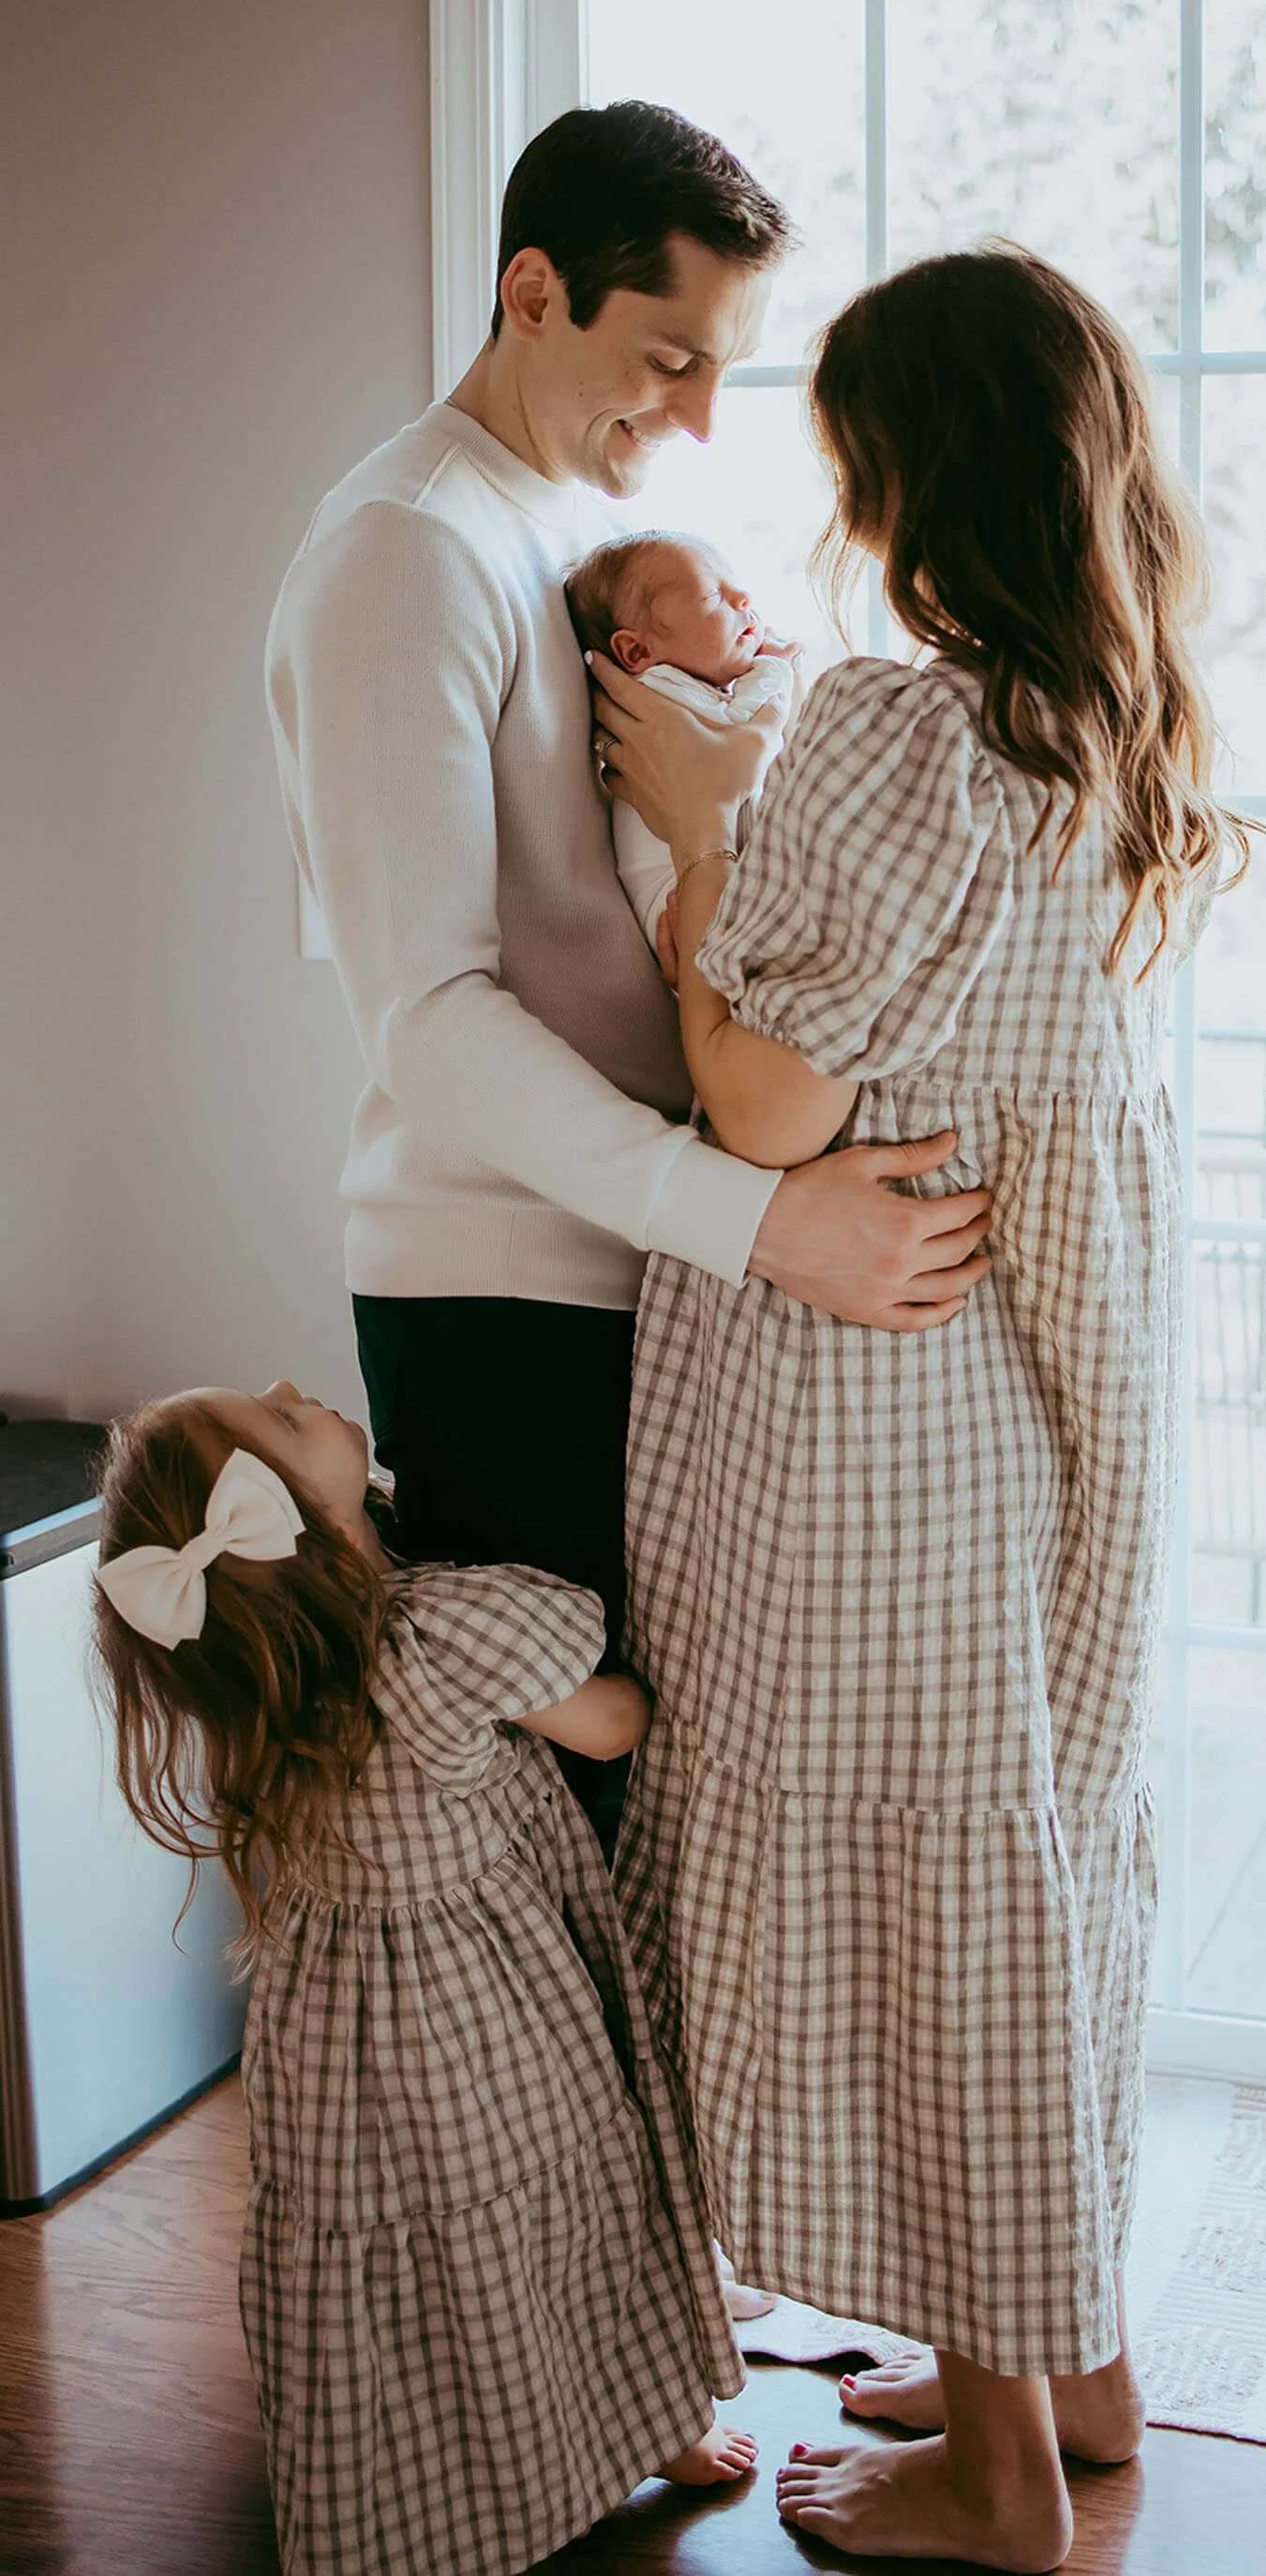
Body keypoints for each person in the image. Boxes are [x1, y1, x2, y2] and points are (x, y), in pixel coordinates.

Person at [593, 244, 1251, 2572]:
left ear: (907, 466)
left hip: (878, 1408)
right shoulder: (1101, 727)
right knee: (1022, 1875)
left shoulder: (895, 721)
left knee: (922, 1907)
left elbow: (764, 1100)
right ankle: (1064, 2371)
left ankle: (988, 2482)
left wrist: (688, 841)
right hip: (1037, 1400)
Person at [263, 101, 991, 1700]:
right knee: (556, 1830)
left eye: (725, 365)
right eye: (671, 360)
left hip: (650, 1252)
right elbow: (429, 1015)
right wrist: (769, 1224)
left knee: (659, 1810)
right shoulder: (404, 550)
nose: (704, 417)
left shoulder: (601, 530)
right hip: (511, 1287)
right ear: (534, 294)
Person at [91, 1376, 756, 2576]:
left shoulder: (265, 1681)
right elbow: (611, 1722)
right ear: (294, 1516)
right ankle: (629, 2428)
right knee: (556, 2212)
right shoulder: (431, 1636)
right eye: (282, 1417)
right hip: (481, 2010)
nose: (295, 1387)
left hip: (336, 2039)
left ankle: (429, 2492)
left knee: (411, 2269)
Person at [564, 529, 796, 950]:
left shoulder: (680, 692)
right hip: (675, 902)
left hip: (699, 885)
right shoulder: (659, 689)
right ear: (637, 653)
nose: (743, 597)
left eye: (733, 584)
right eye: (712, 596)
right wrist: (776, 669)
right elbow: (741, 723)